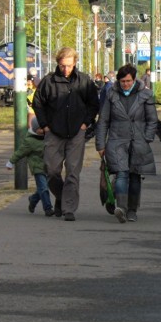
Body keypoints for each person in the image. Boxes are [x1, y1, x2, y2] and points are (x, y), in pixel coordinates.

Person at [33, 47, 100, 221]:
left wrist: (86, 122)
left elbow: (94, 103)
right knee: (51, 170)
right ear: (58, 63)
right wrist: (45, 125)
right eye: (63, 66)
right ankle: (62, 197)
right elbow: (38, 103)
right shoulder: (49, 82)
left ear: (75, 63)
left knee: (72, 171)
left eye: (69, 66)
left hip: (77, 132)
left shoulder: (84, 81)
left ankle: (68, 209)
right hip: (54, 132)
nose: (66, 69)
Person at [96, 63, 158, 224]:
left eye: (128, 81)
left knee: (135, 175)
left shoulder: (146, 95)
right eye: (122, 81)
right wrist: (100, 145)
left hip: (139, 141)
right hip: (117, 141)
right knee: (121, 173)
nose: (125, 84)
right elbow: (103, 121)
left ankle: (132, 210)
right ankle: (121, 208)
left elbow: (152, 120)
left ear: (134, 79)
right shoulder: (111, 95)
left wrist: (147, 137)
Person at [5, 117, 54, 217]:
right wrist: (11, 162)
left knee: (43, 188)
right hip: (37, 167)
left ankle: (33, 199)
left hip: (48, 166)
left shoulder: (48, 137)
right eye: (41, 128)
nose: (43, 130)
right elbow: (20, 153)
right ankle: (48, 208)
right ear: (36, 129)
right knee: (44, 188)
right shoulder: (30, 141)